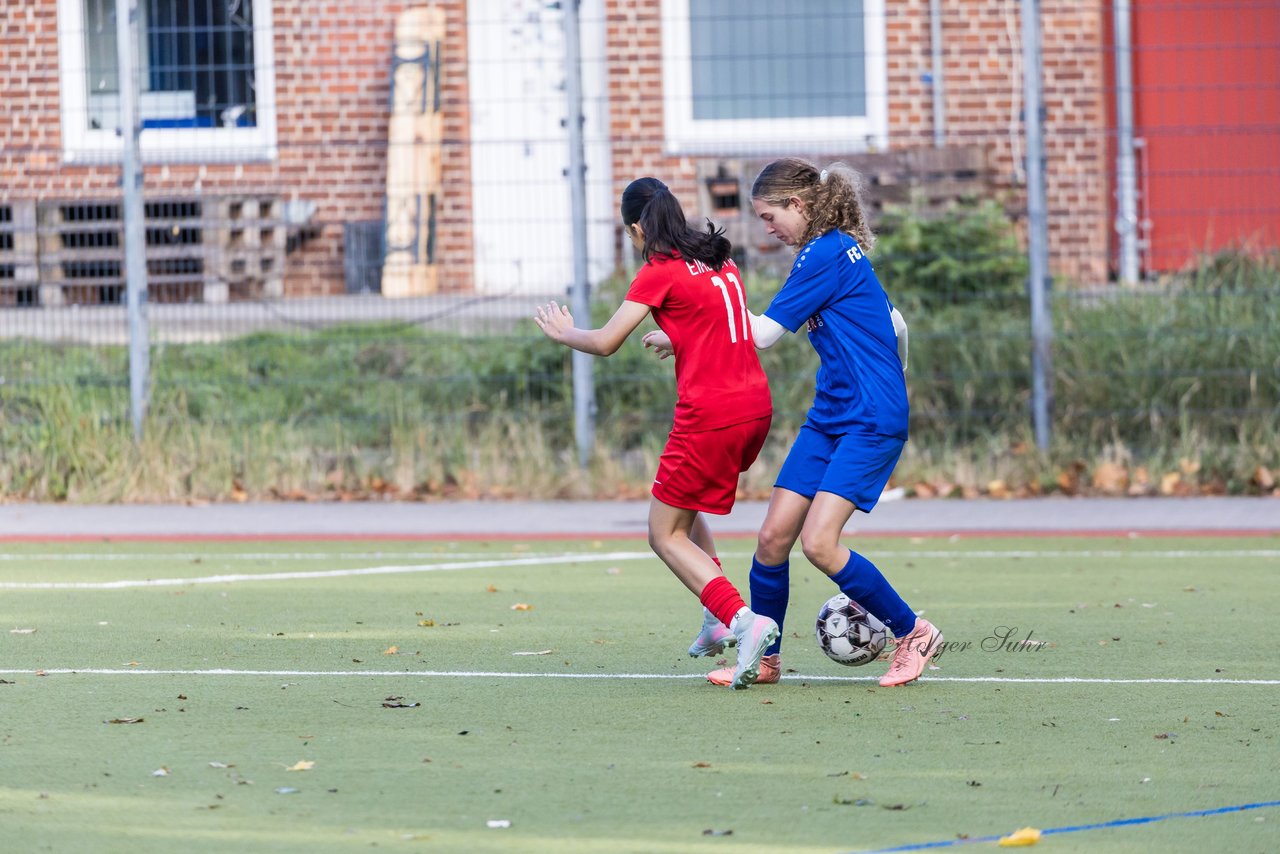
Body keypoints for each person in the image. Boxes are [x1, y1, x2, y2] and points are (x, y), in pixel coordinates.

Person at [647, 158, 942, 688]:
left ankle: (913, 633)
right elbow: (895, 324)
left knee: (819, 544)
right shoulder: (831, 249)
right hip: (831, 413)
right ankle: (767, 660)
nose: (767, 229)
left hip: (869, 417)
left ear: (798, 205)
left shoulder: (824, 251)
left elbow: (760, 334)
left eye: (769, 216)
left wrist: (691, 324)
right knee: (771, 539)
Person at [533, 177, 779, 689]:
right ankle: (715, 619)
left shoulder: (658, 270)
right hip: (755, 407)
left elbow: (606, 342)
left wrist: (563, 333)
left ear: (637, 229)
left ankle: (742, 621)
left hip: (710, 414)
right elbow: (722, 321)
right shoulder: (718, 257)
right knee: (684, 506)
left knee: (662, 533)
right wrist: (679, 337)